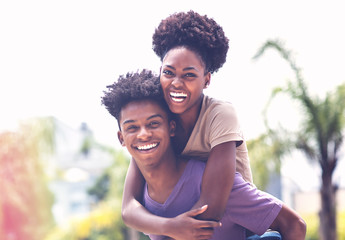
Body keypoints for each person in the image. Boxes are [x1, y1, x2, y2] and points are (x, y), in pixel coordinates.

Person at [101, 69, 306, 240]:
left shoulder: (214, 184)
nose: (144, 134)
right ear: (121, 138)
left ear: (171, 128)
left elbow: (295, 225)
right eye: (132, 128)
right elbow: (127, 211)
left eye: (153, 124)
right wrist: (171, 227)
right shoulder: (141, 195)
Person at [122, 10, 254, 238]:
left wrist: (170, 230)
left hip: (234, 228)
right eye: (169, 73)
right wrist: (167, 227)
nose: (176, 83)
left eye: (189, 75)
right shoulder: (155, 123)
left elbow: (211, 207)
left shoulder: (220, 115)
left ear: (207, 79)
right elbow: (128, 207)